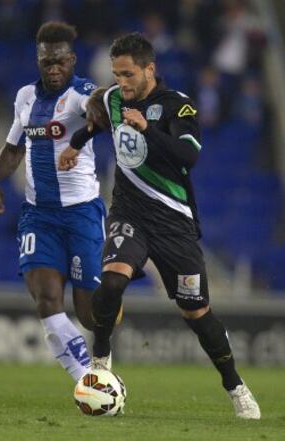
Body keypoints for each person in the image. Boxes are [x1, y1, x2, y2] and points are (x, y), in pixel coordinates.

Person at [58, 32, 261, 419]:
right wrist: (77, 142)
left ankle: (236, 386)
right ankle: (101, 365)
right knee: (112, 280)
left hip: (174, 224)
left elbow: (188, 156)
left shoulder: (177, 106)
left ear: (150, 70)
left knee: (197, 313)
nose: (122, 82)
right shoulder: (114, 98)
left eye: (129, 74)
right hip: (130, 214)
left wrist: (148, 129)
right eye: (117, 74)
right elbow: (99, 120)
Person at [0, 22, 106, 382]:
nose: (54, 69)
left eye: (60, 62)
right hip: (39, 216)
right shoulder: (25, 97)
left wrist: (99, 106)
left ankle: (112, 296)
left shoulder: (82, 92)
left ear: (72, 60)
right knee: (46, 299)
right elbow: (13, 148)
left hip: (81, 212)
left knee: (89, 315)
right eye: (47, 62)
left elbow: (96, 103)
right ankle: (85, 379)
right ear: (39, 60)